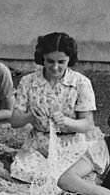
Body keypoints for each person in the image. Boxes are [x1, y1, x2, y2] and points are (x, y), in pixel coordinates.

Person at [9, 32, 99, 181]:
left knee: (66, 179)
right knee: (24, 174)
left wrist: (66, 121)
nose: (55, 67)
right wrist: (30, 116)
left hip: (71, 145)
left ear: (69, 60)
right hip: (38, 145)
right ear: (42, 58)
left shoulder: (81, 83)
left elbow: (87, 125)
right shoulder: (28, 81)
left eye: (61, 62)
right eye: (50, 61)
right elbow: (14, 121)